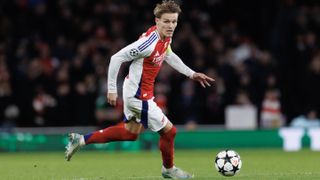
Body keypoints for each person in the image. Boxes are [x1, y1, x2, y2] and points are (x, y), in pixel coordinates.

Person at [65, 0, 214, 179]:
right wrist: (112, 89)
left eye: (174, 21)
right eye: (166, 21)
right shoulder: (147, 44)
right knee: (170, 131)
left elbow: (169, 55)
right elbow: (116, 58)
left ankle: (80, 140)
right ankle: (169, 169)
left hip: (139, 90)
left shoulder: (166, 37)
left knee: (130, 133)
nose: (171, 25)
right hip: (138, 95)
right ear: (157, 20)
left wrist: (192, 74)